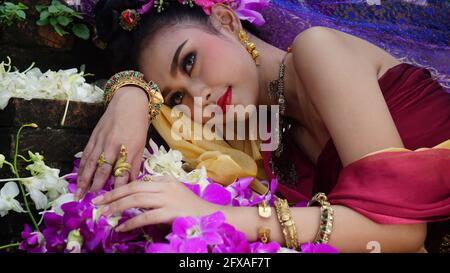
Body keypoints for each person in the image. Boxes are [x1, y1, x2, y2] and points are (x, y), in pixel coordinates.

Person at [75, 0, 450, 252]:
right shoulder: (268, 133)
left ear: (226, 20)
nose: (199, 98)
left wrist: (211, 214)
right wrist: (132, 94)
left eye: (189, 62)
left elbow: (400, 230)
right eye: (176, 98)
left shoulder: (318, 50)